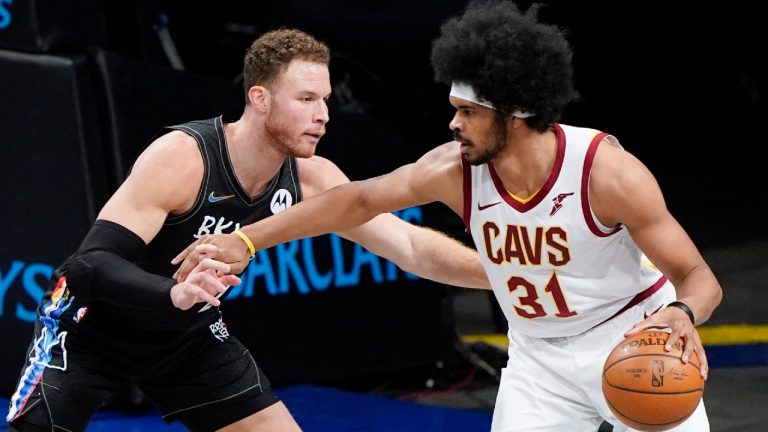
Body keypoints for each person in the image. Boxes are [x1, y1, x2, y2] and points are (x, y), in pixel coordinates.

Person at [173, 3, 724, 431]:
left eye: (468, 112)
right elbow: (357, 200)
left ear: (517, 114)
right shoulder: (453, 168)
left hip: (631, 337)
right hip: (538, 358)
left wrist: (680, 313)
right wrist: (247, 239)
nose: (454, 124)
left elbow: (701, 279)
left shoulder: (605, 173)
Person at [6, 29, 490, 432]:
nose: (323, 114)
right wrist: (171, 294)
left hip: (184, 337)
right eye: (305, 99)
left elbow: (408, 246)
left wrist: (503, 273)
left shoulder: (314, 176)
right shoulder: (185, 156)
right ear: (259, 98)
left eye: (324, 99)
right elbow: (88, 266)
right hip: (90, 327)